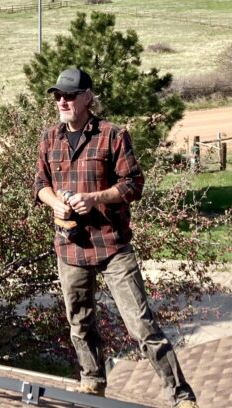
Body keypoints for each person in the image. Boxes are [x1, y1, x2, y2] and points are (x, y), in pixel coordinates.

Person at [34, 67, 197, 407]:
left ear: (87, 98)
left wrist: (94, 198)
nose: (62, 101)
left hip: (111, 245)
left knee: (142, 326)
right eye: (58, 96)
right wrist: (55, 204)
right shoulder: (49, 138)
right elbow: (40, 186)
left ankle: (180, 397)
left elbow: (133, 185)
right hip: (70, 246)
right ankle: (92, 383)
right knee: (79, 322)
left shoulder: (113, 135)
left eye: (69, 95)